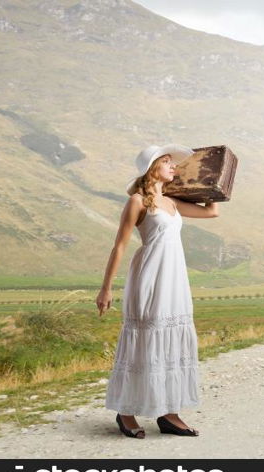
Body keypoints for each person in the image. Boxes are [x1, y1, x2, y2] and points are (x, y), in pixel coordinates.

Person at [96, 143, 219, 438]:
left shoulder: (174, 203)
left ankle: (169, 413)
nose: (173, 167)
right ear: (151, 168)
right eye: (167, 162)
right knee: (146, 338)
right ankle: (126, 412)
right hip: (150, 276)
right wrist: (106, 288)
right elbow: (120, 245)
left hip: (175, 278)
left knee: (172, 341)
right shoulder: (138, 201)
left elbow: (212, 212)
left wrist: (213, 180)